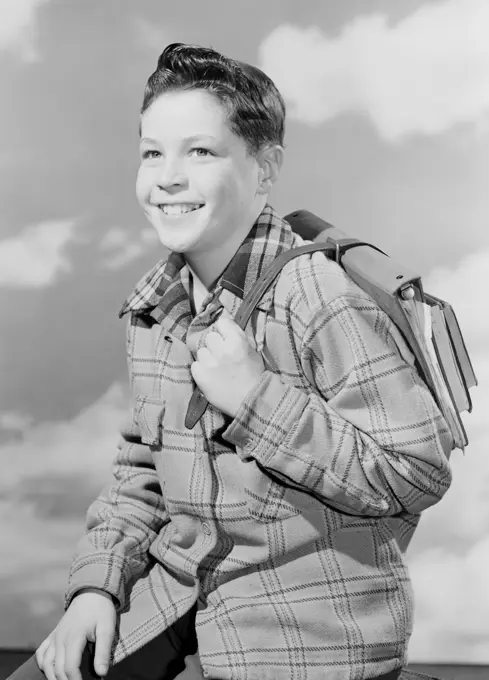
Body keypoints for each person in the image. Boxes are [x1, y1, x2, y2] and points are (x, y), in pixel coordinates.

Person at [9, 43, 454, 680]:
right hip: (181, 591)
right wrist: (96, 587)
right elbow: (142, 473)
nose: (167, 176)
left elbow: (416, 472)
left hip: (302, 627)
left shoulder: (321, 298)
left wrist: (255, 398)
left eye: (201, 151)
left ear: (265, 167)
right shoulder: (157, 305)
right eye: (152, 152)